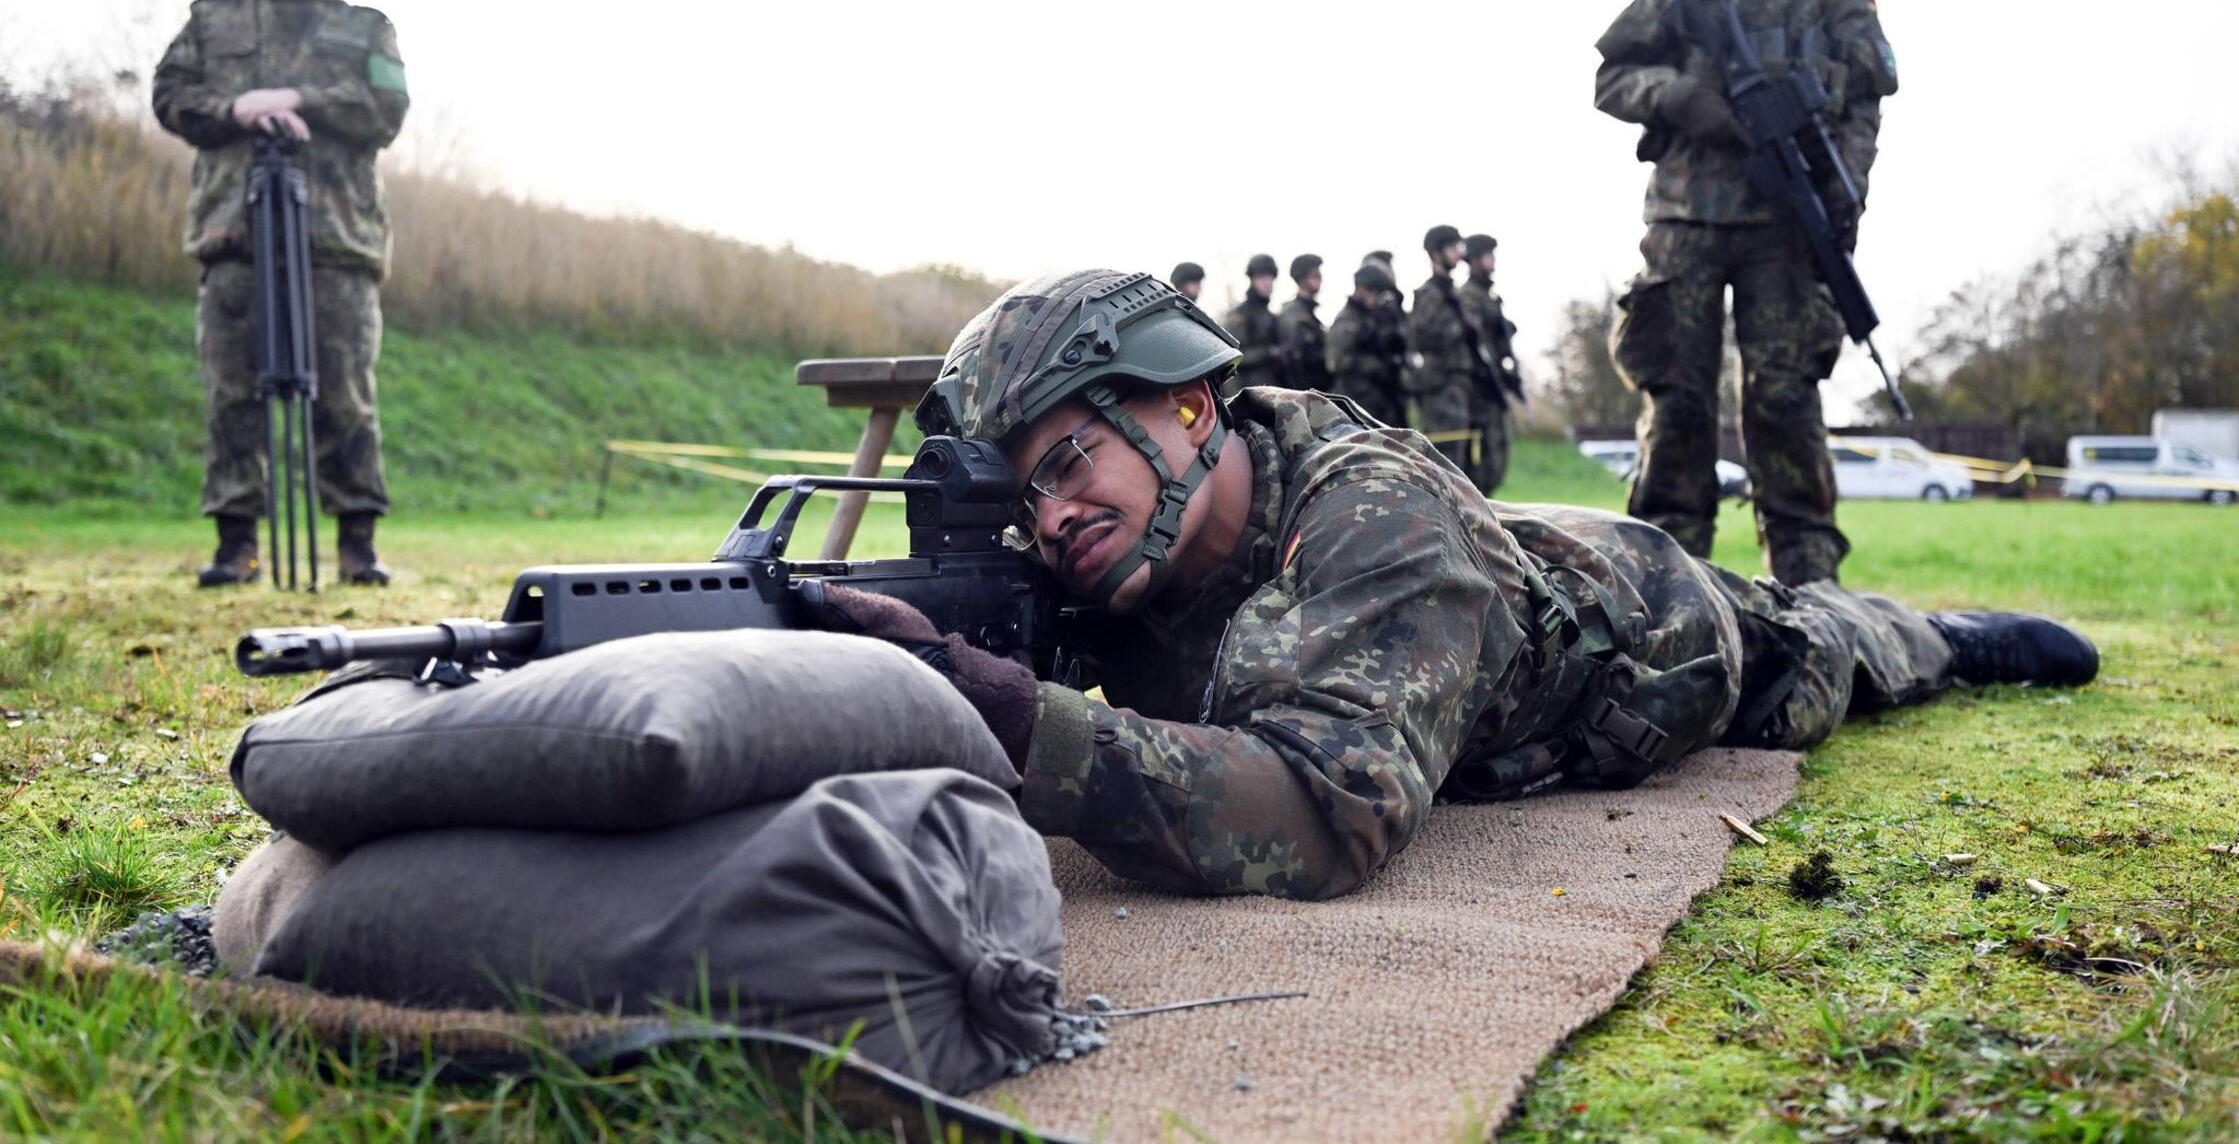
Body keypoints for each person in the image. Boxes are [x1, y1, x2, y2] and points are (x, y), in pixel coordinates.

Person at [810, 269, 2097, 901]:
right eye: (1023, 497)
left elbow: (1323, 812)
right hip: (1484, 574)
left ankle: (1936, 635)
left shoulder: (1377, 516)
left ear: (1191, 407)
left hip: (1644, 639)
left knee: (1811, 651)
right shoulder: (1106, 548)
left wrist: (1017, 724)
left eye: (1068, 461)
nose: (1051, 518)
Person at [1592, 0, 1897, 585]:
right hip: (1686, 215)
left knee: (1785, 403)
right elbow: (1612, 76)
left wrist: (1847, 186)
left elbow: (1866, 97)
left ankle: (1809, 595)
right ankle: (1663, 592)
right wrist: (1678, 97)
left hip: (1787, 222)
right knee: (1677, 403)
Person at [153, 0, 408, 587]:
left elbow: (387, 108)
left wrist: (299, 100)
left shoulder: (366, 26)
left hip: (337, 239)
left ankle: (357, 545)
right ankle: (236, 545)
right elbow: (169, 96)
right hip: (233, 233)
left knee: (346, 394)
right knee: (232, 393)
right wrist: (238, 108)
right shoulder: (211, 21)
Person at [1406, 224, 1501, 491]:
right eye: (1451, 247)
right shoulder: (1430, 294)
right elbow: (1421, 338)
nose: (1458, 253)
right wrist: (1459, 328)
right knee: (1446, 463)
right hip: (1440, 389)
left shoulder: (1453, 294)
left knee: (1466, 466)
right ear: (1436, 253)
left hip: (1460, 388)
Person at [1455, 232, 1523, 493]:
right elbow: (1474, 341)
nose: (1492, 260)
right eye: (1487, 255)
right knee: (1482, 463)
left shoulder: (1489, 297)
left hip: (1493, 389)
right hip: (1478, 391)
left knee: (1498, 458)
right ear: (1473, 260)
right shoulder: (1468, 296)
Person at [1325, 260, 1408, 427]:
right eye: (1375, 292)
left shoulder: (1373, 317)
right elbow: (1335, 361)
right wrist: (1373, 366)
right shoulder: (1347, 320)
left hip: (1379, 399)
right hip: (1357, 400)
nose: (1377, 299)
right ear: (1362, 289)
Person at [1221, 253, 1282, 393]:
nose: (1267, 283)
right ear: (1252, 280)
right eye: (1261, 278)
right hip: (1247, 392)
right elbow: (1231, 357)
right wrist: (1268, 352)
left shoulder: (1270, 316)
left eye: (1270, 278)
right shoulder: (1240, 316)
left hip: (1271, 390)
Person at [1274, 254, 1331, 393]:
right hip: (1303, 392)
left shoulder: (1308, 312)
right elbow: (1295, 358)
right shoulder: (1293, 313)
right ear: (1301, 278)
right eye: (1315, 275)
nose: (1320, 278)